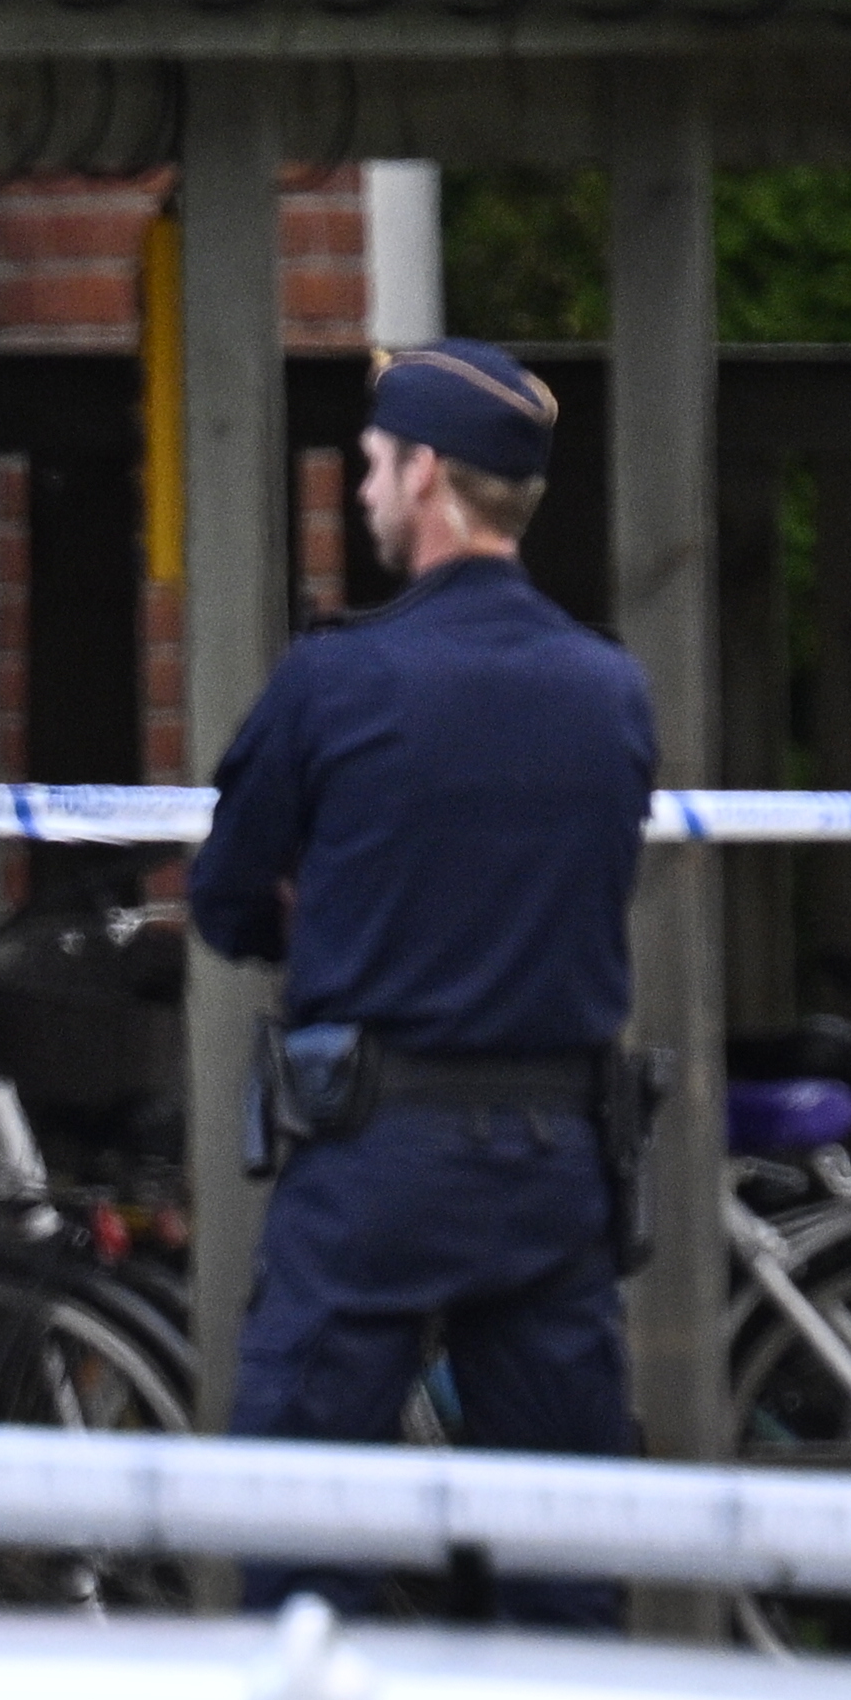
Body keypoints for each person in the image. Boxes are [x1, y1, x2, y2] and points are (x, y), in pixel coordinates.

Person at [188, 338, 666, 1473]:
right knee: (565, 1537)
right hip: (557, 1166)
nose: (363, 490)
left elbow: (225, 897)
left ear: (425, 475)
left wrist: (320, 921)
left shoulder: (336, 680)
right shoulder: (611, 691)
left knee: (299, 1521)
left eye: (372, 463)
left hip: (378, 1166)